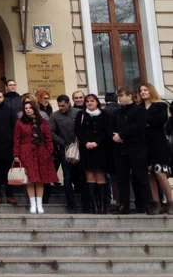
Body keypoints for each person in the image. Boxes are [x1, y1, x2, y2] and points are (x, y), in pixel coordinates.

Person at [111, 87, 155, 215]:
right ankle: (123, 206)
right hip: (120, 150)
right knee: (122, 179)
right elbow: (111, 127)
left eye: (121, 95)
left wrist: (122, 135)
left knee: (141, 178)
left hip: (136, 148)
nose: (119, 98)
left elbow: (138, 126)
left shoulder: (139, 110)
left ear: (129, 96)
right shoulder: (117, 113)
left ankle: (147, 205)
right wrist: (114, 135)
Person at [13, 101, 59, 214]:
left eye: (30, 108)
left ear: (35, 109)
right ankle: (32, 204)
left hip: (41, 152)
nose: (28, 110)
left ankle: (39, 204)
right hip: (26, 152)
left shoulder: (43, 122)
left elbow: (48, 138)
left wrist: (49, 151)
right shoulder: (20, 123)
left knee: (40, 179)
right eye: (26, 108)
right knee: (30, 179)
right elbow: (17, 139)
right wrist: (16, 155)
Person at [49, 95, 88, 213]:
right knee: (67, 177)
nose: (61, 108)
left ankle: (85, 203)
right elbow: (50, 132)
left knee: (82, 176)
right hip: (64, 150)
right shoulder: (54, 116)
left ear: (68, 103)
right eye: (59, 106)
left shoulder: (79, 112)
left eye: (63, 105)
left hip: (80, 149)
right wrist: (63, 143)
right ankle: (70, 203)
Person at [138, 83, 172, 214]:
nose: (143, 92)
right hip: (144, 144)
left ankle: (170, 202)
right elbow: (138, 123)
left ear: (151, 91)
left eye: (145, 90)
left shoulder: (160, 105)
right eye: (141, 90)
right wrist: (147, 122)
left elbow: (161, 120)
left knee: (160, 173)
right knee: (149, 174)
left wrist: (147, 122)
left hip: (158, 144)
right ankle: (156, 203)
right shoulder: (139, 107)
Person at [74, 94, 110, 214]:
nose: (90, 103)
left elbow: (106, 131)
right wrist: (86, 143)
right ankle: (93, 205)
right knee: (89, 175)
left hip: (101, 149)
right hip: (86, 149)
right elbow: (77, 131)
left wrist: (96, 142)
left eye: (92, 101)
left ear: (97, 102)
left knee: (100, 175)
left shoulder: (104, 114)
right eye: (87, 101)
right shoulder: (81, 114)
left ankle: (103, 205)